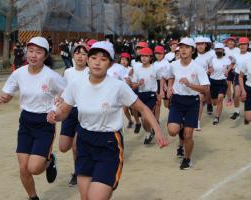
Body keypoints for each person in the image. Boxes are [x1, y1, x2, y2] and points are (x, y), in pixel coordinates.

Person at [47, 41, 169, 200]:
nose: (97, 62)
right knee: (85, 197)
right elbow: (64, 111)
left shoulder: (118, 87)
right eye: (94, 57)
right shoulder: (76, 85)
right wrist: (55, 115)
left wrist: (158, 131)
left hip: (109, 144)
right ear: (88, 60)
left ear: (110, 64)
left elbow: (144, 109)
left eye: (103, 59)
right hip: (84, 142)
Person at [0, 37, 66, 200]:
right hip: (26, 122)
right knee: (23, 168)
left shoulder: (51, 76)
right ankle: (33, 197)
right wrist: (5, 98)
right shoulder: (18, 73)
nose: (33, 55)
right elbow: (8, 91)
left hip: (44, 123)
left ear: (45, 55)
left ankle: (49, 161)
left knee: (34, 168)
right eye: (31, 51)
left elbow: (67, 95)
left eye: (38, 52)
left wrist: (55, 109)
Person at [167, 37, 210, 170]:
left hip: (192, 102)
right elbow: (170, 76)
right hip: (177, 101)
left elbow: (206, 89)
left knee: (188, 135)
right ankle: (180, 129)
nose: (183, 50)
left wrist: (190, 84)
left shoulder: (198, 68)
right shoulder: (173, 64)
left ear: (193, 50)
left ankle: (187, 159)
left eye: (187, 47)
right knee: (172, 131)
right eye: (181, 47)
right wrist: (169, 87)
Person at [60, 43, 90, 187]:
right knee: (63, 147)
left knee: (76, 146)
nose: (80, 56)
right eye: (77, 53)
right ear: (73, 56)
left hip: (85, 112)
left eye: (84, 53)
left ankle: (78, 172)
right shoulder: (68, 72)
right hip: (69, 111)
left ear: (88, 57)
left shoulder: (91, 72)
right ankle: (49, 160)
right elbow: (64, 91)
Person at [131, 47, 164, 144]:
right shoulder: (137, 69)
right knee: (143, 120)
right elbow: (133, 85)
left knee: (145, 117)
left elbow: (160, 79)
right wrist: (138, 84)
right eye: (142, 56)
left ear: (150, 57)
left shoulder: (154, 68)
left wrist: (160, 91)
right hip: (141, 95)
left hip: (151, 95)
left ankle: (151, 130)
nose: (143, 58)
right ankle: (149, 132)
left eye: (146, 56)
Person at [208, 43, 231, 125]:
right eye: (217, 49)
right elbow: (207, 67)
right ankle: (210, 104)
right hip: (213, 81)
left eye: (220, 49)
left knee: (220, 98)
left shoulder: (227, 59)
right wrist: (209, 70)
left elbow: (232, 63)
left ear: (223, 50)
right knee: (214, 102)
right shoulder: (212, 59)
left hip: (222, 82)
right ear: (215, 50)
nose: (218, 51)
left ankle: (216, 117)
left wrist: (228, 70)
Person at [194, 36, 214, 130]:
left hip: (203, 80)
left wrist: (209, 71)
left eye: (202, 44)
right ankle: (209, 103)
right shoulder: (192, 55)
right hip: (192, 81)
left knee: (200, 99)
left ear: (205, 45)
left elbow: (211, 67)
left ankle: (197, 122)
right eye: (198, 44)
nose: (200, 46)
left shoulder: (209, 55)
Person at [231, 37, 251, 120]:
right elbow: (232, 63)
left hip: (249, 77)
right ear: (238, 45)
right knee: (236, 94)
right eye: (241, 44)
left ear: (248, 45)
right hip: (238, 76)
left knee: (249, 96)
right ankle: (237, 112)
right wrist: (228, 70)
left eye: (244, 44)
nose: (242, 46)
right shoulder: (236, 55)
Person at [119, 52, 135, 128]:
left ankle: (137, 121)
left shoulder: (130, 69)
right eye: (122, 59)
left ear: (128, 61)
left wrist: (129, 74)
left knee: (134, 109)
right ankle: (130, 121)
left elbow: (132, 80)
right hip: (122, 93)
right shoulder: (117, 68)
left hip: (130, 92)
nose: (124, 61)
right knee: (125, 110)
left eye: (126, 60)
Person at [224, 37, 239, 106]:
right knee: (227, 84)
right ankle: (229, 99)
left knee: (234, 85)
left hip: (236, 69)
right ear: (226, 43)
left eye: (232, 41)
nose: (230, 42)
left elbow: (234, 61)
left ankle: (234, 95)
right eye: (229, 41)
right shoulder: (224, 50)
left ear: (235, 43)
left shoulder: (237, 50)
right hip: (227, 69)